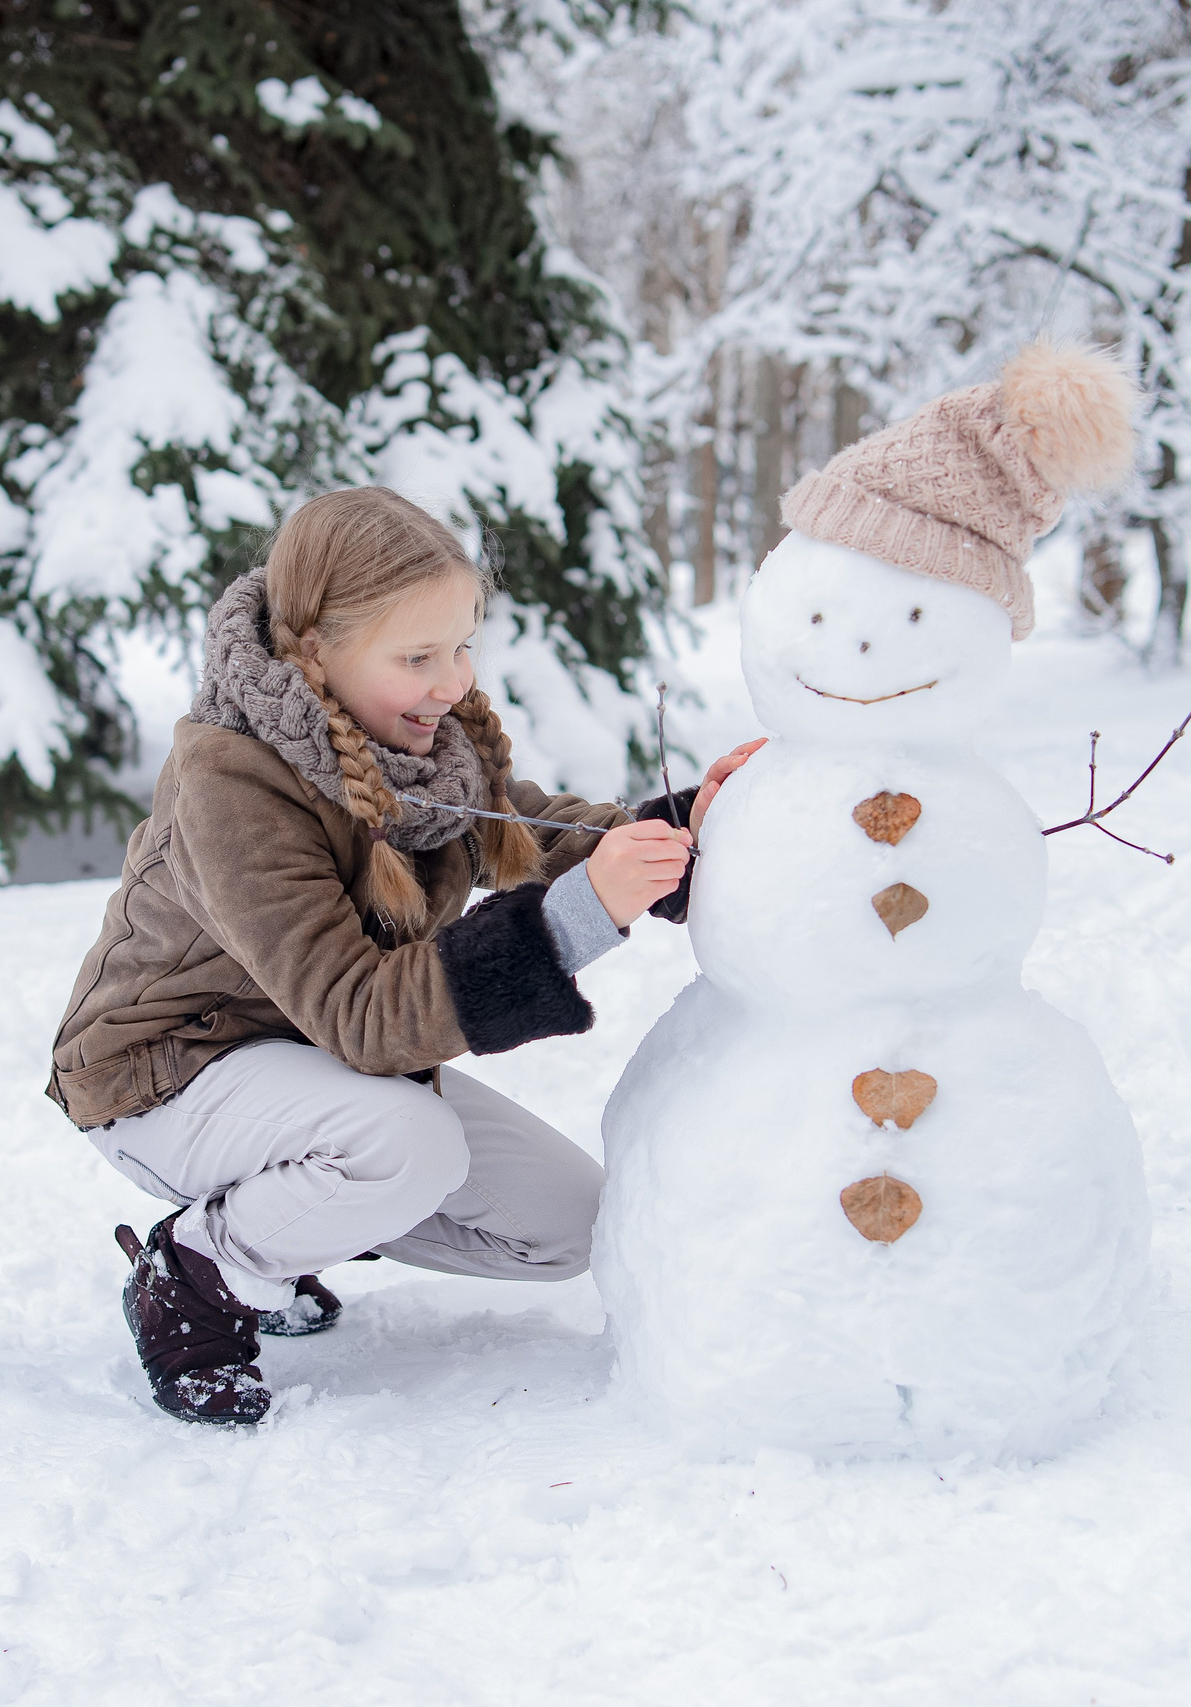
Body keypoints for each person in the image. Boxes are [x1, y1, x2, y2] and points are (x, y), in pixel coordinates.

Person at [47, 487, 761, 1425]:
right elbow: (362, 1016)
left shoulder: (423, 747)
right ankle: (197, 1272)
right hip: (167, 1073)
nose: (453, 681)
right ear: (318, 651)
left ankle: (291, 1219)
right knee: (407, 1145)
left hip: (312, 1072)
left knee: (564, 1227)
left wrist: (679, 834)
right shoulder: (230, 779)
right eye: (418, 656)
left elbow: (531, 833)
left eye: (462, 645)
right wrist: (582, 915)